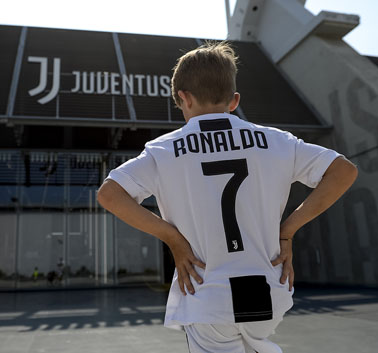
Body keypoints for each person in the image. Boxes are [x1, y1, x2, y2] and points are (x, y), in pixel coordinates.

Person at [97, 42, 358, 353]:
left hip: (209, 294)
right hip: (267, 290)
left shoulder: (163, 151)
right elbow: (344, 171)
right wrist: (287, 231)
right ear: (234, 100)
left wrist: (173, 239)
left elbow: (110, 195)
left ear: (183, 98)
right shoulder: (278, 141)